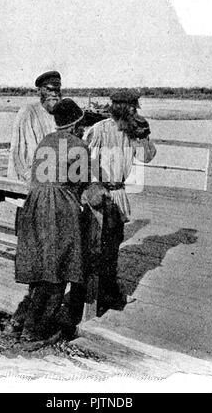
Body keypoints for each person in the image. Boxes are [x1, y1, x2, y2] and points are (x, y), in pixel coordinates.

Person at [10, 98, 104, 345]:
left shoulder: (44, 141)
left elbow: (38, 174)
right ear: (75, 125)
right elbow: (81, 183)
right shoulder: (78, 146)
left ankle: (18, 322)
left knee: (41, 267)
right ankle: (35, 331)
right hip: (59, 207)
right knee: (59, 268)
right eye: (81, 124)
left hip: (35, 205)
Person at [83, 88, 156, 312]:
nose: (135, 111)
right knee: (98, 247)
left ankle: (109, 294)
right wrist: (89, 184)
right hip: (101, 193)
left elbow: (147, 157)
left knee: (113, 245)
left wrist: (144, 136)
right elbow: (79, 153)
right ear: (122, 108)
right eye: (132, 107)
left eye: (136, 107)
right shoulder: (100, 129)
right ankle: (95, 297)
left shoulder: (132, 132)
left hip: (119, 193)